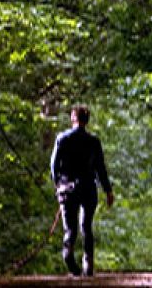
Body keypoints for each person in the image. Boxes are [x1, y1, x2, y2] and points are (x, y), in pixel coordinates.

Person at [50, 105, 114, 276]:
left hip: (67, 189)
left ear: (73, 118)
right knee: (86, 226)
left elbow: (54, 165)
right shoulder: (94, 141)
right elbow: (101, 169)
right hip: (88, 188)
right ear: (87, 120)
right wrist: (108, 191)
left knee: (70, 228)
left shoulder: (62, 139)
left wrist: (57, 184)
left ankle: (69, 256)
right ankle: (88, 263)